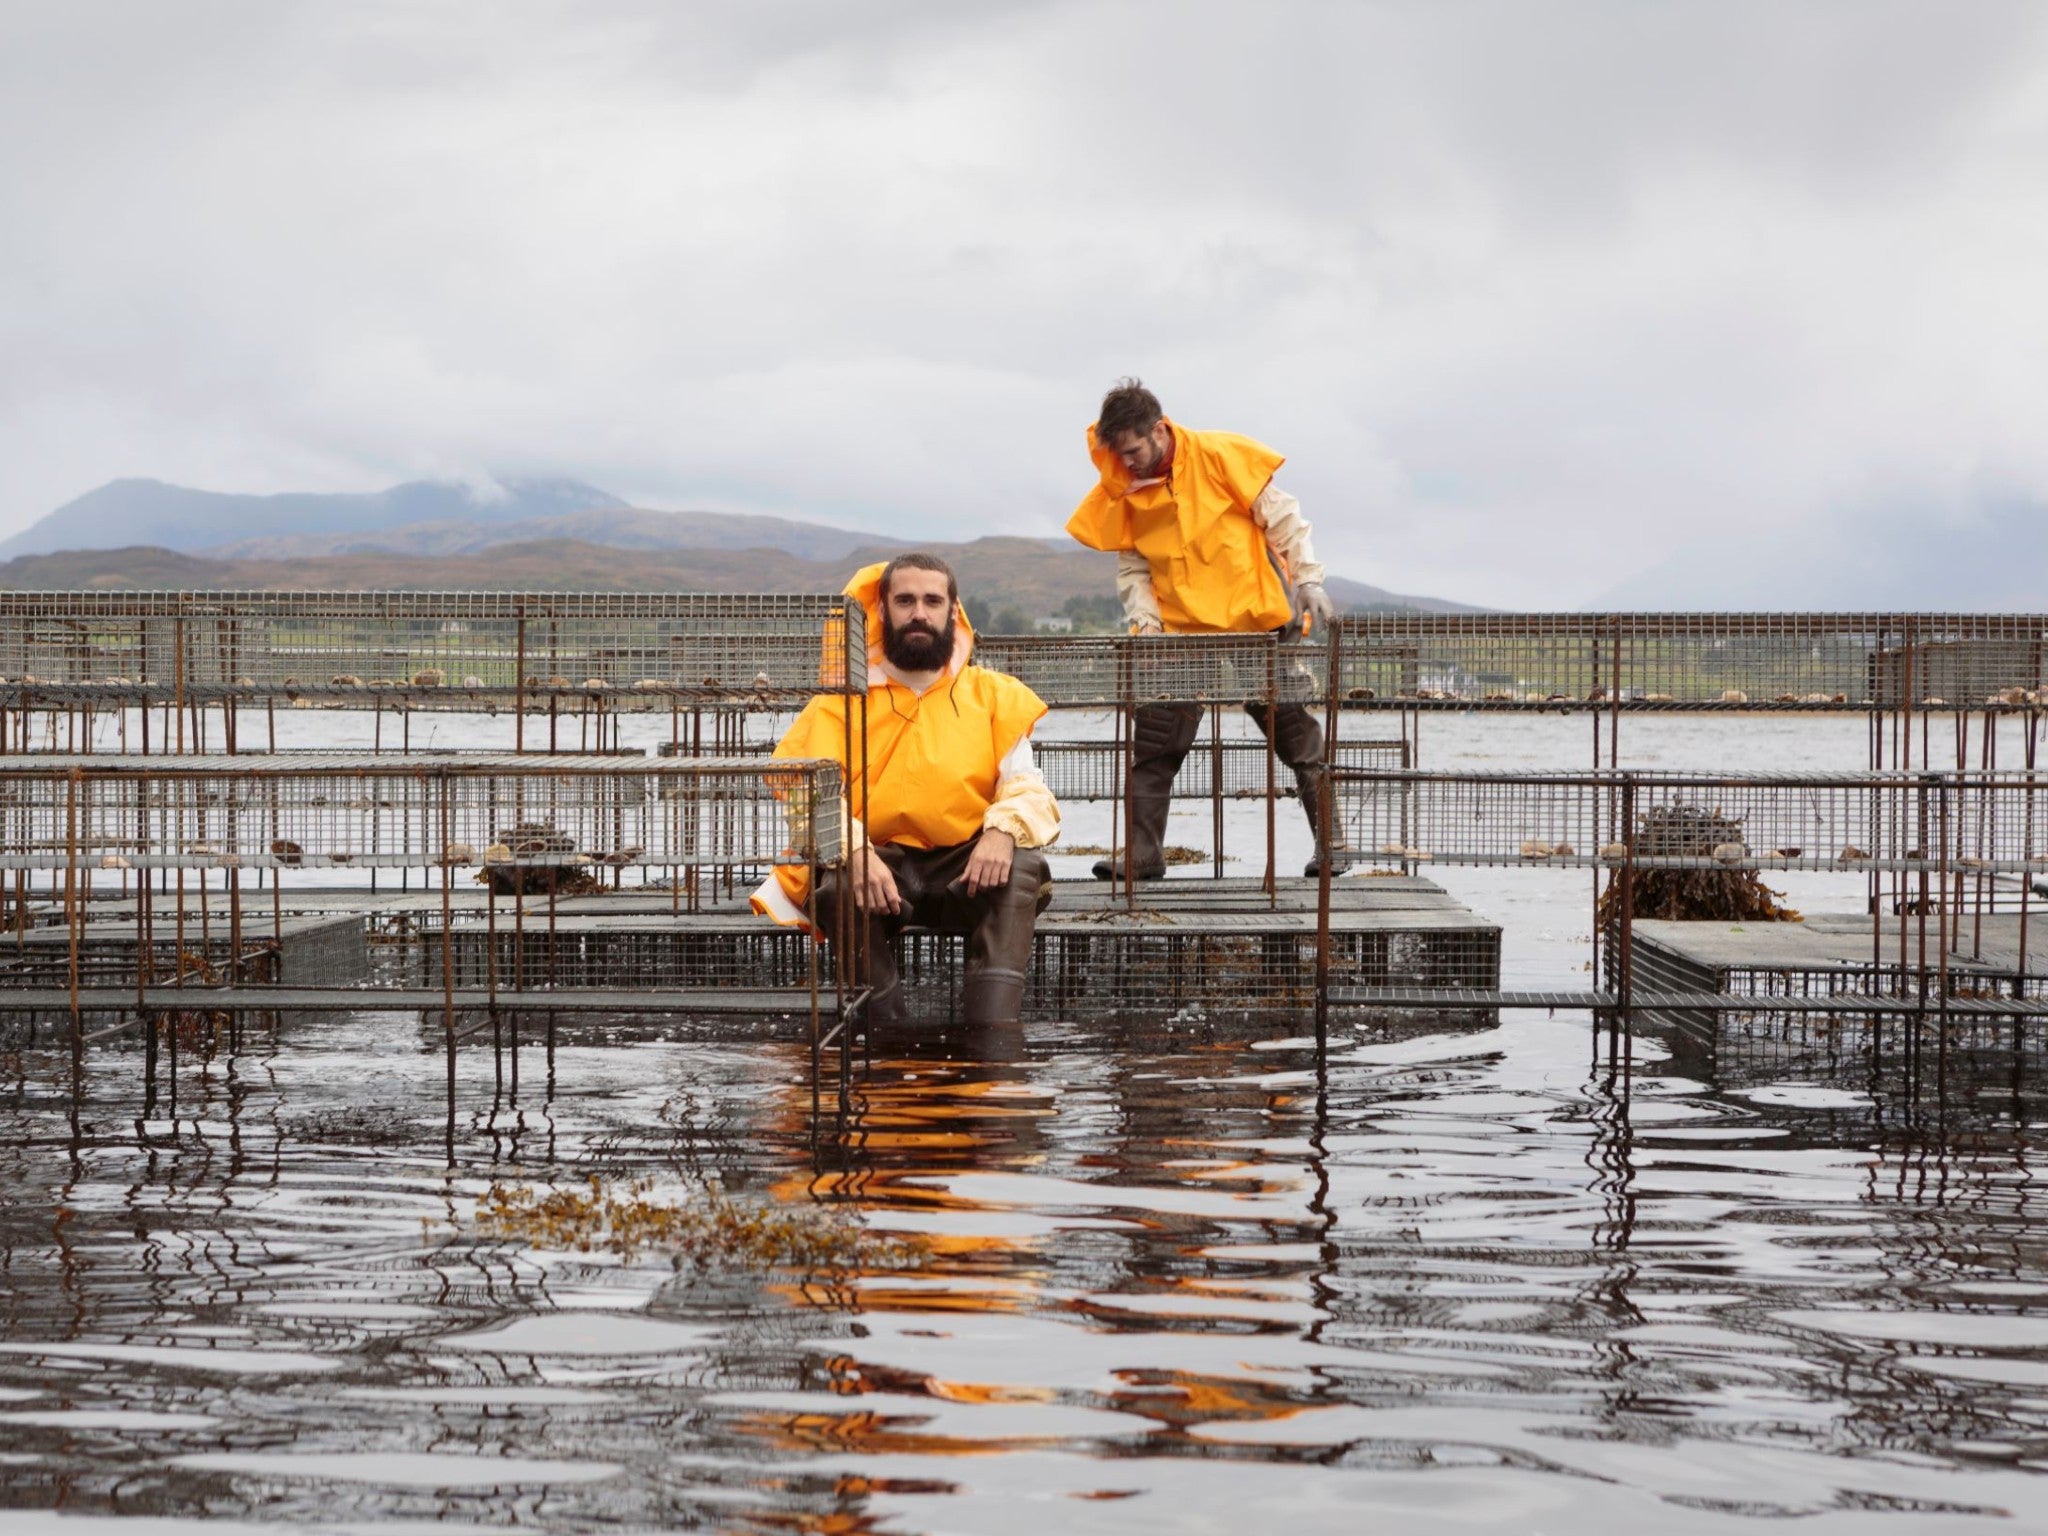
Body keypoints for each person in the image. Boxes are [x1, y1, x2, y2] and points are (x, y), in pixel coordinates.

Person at [752, 554, 1060, 1025]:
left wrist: (1000, 832)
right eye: (905, 600)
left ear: (953, 613)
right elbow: (805, 798)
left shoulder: (994, 694)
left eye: (933, 601)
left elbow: (1028, 788)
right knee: (835, 886)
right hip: (877, 866)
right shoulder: (836, 705)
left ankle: (994, 1047)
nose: (920, 612)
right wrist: (854, 851)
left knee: (1023, 864)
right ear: (881, 612)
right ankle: (885, 1040)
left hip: (963, 868)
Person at [1066, 377, 1338, 879]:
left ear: (1158, 429)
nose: (1127, 463)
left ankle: (1333, 847)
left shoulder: (1218, 455)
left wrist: (1308, 581)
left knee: (1296, 732)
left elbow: (1284, 519)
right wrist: (1145, 624)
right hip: (1180, 635)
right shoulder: (1124, 487)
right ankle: (1144, 856)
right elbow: (1134, 567)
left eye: (1133, 450)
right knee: (1155, 740)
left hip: (1256, 624)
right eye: (1119, 454)